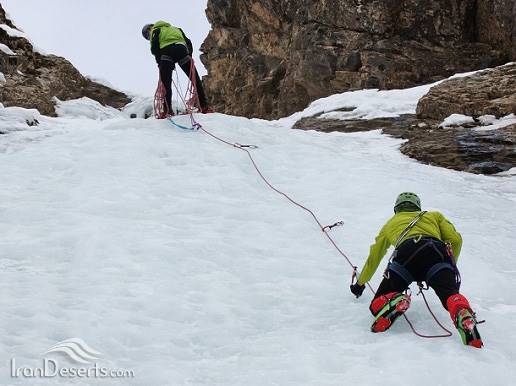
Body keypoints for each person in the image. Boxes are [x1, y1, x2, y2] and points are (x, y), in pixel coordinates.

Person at [350, 192, 483, 348]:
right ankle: (462, 313)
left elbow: (375, 256)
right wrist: (449, 266)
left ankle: (395, 300)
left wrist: (360, 283)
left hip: (406, 257)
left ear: (397, 209)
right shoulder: (434, 216)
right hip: (436, 254)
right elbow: (456, 240)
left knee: (377, 305)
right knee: (450, 295)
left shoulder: (390, 224)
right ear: (418, 206)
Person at [142, 21, 213, 115]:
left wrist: (161, 64)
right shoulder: (176, 29)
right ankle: (204, 106)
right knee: (194, 78)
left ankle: (167, 110)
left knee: (166, 82)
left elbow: (155, 47)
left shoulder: (155, 30)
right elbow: (188, 42)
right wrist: (189, 56)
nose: (148, 37)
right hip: (181, 50)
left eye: (147, 36)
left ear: (149, 29)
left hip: (166, 53)